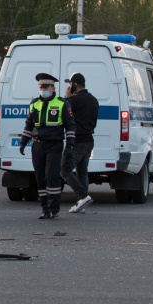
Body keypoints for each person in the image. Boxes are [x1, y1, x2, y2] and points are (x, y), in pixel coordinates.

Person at [19, 73, 75, 219]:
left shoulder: (63, 104)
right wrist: (23, 142)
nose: (43, 89)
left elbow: (70, 126)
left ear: (53, 88)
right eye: (41, 86)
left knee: (52, 177)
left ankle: (54, 209)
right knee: (40, 178)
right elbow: (29, 124)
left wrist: (69, 146)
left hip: (54, 145)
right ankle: (44, 208)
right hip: (37, 145)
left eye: (46, 87)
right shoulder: (34, 103)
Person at [61, 72, 99, 214]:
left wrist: (67, 97)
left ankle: (83, 196)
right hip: (89, 140)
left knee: (64, 170)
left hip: (77, 140)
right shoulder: (94, 100)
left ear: (74, 85)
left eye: (70, 84)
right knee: (82, 171)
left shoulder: (74, 100)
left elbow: (64, 110)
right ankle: (82, 203)